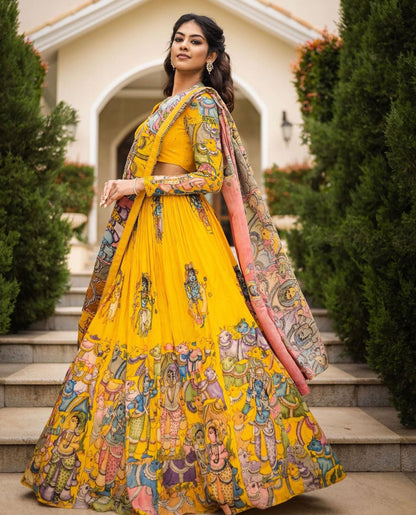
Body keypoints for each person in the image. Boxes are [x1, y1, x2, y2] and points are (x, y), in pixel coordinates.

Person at [22, 13, 345, 514]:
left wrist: (141, 185)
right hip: (145, 241)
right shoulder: (165, 104)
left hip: (187, 238)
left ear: (211, 55)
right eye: (178, 38)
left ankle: (234, 469)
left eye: (196, 41)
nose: (184, 47)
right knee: (129, 337)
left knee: (205, 336)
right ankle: (127, 469)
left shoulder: (202, 105)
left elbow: (211, 177)